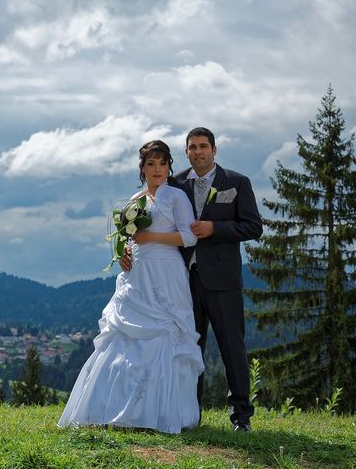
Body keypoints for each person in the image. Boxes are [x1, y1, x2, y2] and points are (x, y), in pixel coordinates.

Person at [120, 127, 262, 432]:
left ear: (214, 149)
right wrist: (127, 250)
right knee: (185, 346)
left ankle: (241, 416)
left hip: (222, 280)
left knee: (231, 348)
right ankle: (189, 413)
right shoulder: (175, 182)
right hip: (181, 281)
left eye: (203, 146)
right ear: (185, 152)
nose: (198, 152)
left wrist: (216, 228)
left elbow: (253, 227)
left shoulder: (236, 182)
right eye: (192, 147)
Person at [58, 140, 204, 434]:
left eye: (163, 164)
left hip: (165, 272)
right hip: (136, 274)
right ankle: (111, 407)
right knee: (124, 338)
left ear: (169, 167)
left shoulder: (177, 197)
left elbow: (189, 237)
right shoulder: (134, 200)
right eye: (151, 164)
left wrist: (152, 240)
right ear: (143, 168)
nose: (158, 169)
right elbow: (125, 237)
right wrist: (122, 252)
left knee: (164, 334)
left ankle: (163, 413)